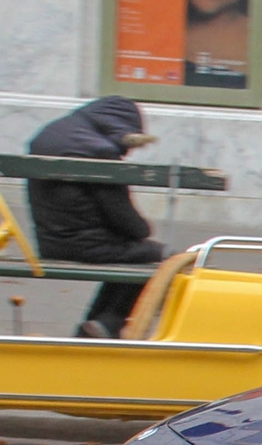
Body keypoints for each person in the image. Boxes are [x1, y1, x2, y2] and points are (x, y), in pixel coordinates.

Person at [27, 96, 163, 339]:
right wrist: (144, 230)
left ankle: (99, 325)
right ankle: (105, 325)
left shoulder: (51, 133)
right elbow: (124, 219)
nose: (127, 152)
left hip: (50, 240)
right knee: (159, 257)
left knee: (133, 255)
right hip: (85, 245)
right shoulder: (99, 151)